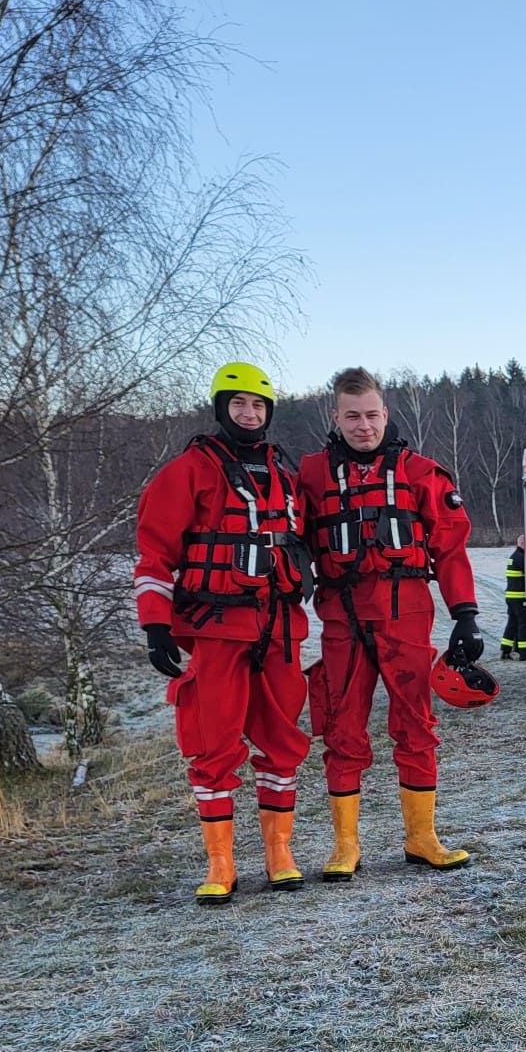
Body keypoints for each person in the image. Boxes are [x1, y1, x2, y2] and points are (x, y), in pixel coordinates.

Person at [296, 366, 483, 879]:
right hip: (342, 616)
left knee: (416, 726)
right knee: (342, 729)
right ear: (336, 417)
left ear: (386, 414)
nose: (363, 426)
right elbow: (281, 536)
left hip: (405, 609)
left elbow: (450, 549)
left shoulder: (421, 472)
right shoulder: (310, 476)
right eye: (352, 416)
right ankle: (345, 845)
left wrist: (465, 615)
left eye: (372, 415)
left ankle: (422, 838)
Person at [134, 361, 310, 904]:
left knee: (282, 740)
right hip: (216, 628)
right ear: (219, 409)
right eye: (237, 404)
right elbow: (154, 553)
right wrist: (155, 625)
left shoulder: (286, 473)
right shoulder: (188, 469)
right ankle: (221, 864)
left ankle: (280, 854)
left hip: (278, 626)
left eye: (258, 405)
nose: (249, 413)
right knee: (214, 743)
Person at [500, 532, 526, 659]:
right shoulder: (521, 558)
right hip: (519, 598)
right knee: (524, 623)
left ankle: (505, 650)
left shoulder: (513, 556)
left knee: (512, 623)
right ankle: (524, 652)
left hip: (511, 598)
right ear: (523, 543)